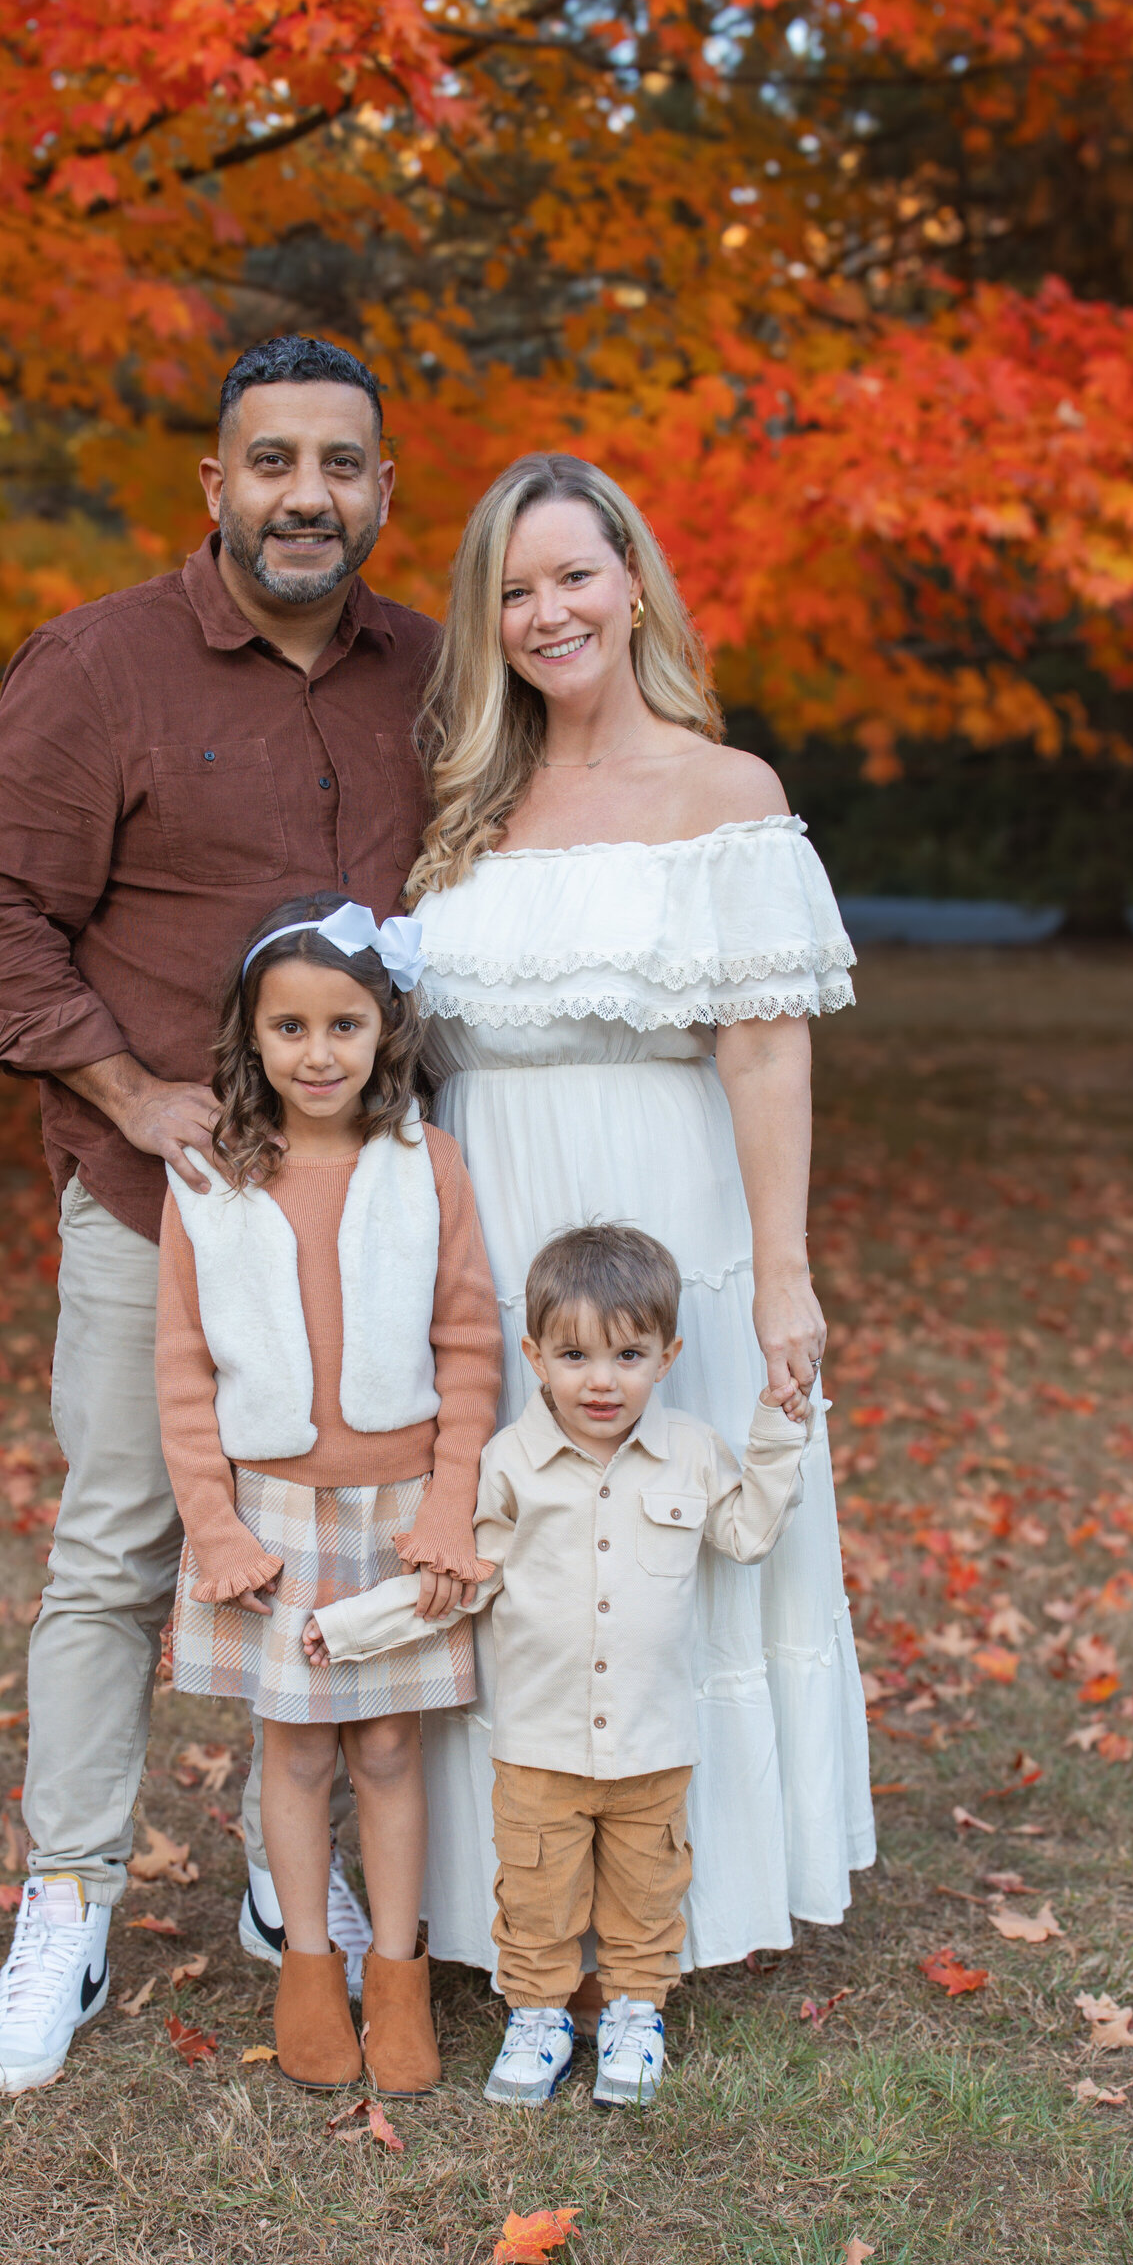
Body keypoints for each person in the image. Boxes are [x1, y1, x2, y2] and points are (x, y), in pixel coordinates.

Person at [0, 336, 442, 2095]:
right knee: (118, 1548)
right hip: (168, 1203)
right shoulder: (101, 667)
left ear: (383, 489)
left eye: (345, 465)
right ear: (213, 486)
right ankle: (63, 1896)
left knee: (344, 1531)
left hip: (375, 1218)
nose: (311, 493)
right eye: (275, 461)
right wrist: (127, 1088)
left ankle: (281, 1873)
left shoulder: (431, 676)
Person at [390, 450, 875, 1983]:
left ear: (635, 582)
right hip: (496, 1209)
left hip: (678, 1214)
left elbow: (765, 1040)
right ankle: (509, 1909)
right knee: (524, 1530)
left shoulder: (726, 796)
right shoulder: (469, 801)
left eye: (573, 577)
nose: (547, 613)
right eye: (513, 592)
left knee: (684, 1531)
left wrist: (782, 1280)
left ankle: (698, 1902)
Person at [310, 1224, 816, 2109]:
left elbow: (747, 1534)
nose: (602, 1380)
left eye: (629, 1354)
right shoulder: (510, 1464)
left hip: (653, 1745)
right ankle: (537, 2018)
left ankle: (633, 2014)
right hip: (539, 1742)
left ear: (668, 1356)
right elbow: (460, 1581)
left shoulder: (693, 1452)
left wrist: (776, 1433)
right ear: (535, 1355)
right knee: (536, 1892)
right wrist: (353, 1627)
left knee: (647, 1889)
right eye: (576, 1355)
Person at [155, 892, 500, 2091]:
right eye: (289, 1027)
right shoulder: (209, 1178)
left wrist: (449, 1505)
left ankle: (395, 1975)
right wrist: (214, 1526)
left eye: (343, 1025)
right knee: (294, 1756)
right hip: (272, 1515)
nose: (317, 1053)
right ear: (251, 1037)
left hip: (400, 1507)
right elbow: (183, 1366)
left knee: (391, 1750)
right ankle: (310, 1964)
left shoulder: (424, 1162)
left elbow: (467, 1342)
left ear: (383, 1030)